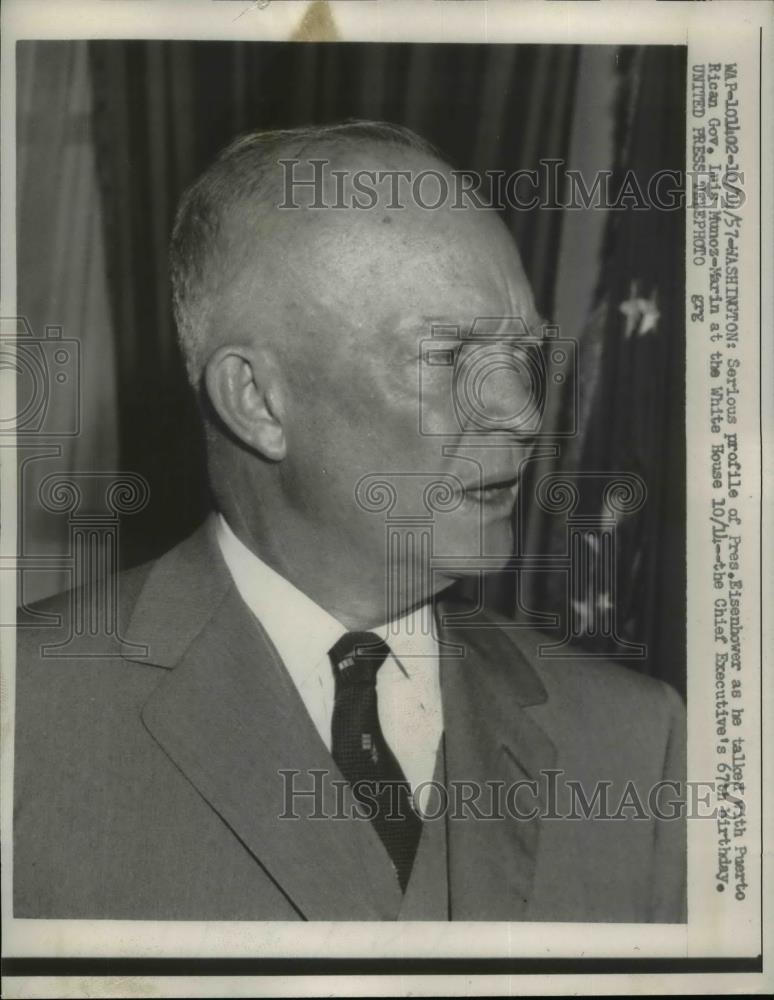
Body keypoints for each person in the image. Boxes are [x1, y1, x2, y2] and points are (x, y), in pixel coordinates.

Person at [14, 121, 685, 921]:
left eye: (524, 355)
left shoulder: (636, 743)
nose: (522, 412)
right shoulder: (28, 714)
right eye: (448, 357)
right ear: (258, 401)